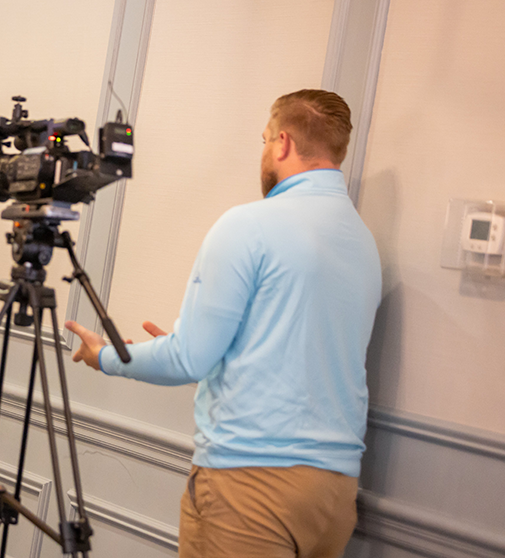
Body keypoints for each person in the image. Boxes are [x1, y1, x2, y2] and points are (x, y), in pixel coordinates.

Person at [66, 90, 382, 558]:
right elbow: (286, 352)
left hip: (250, 491)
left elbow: (188, 359)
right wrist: (204, 352)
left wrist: (104, 357)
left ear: (282, 142)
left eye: (263, 140)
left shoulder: (248, 225)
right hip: (334, 496)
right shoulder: (363, 243)